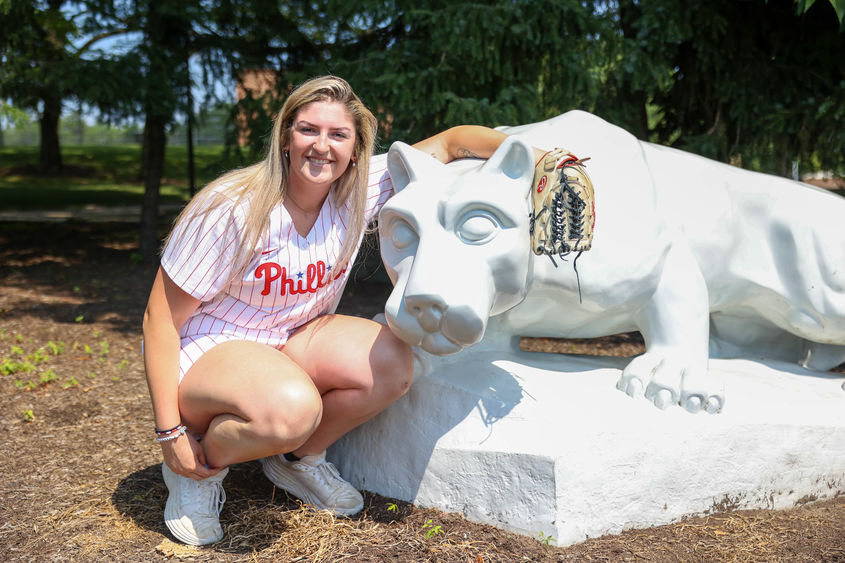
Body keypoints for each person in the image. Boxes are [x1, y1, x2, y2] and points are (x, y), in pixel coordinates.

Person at [142, 75, 510, 546]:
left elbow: (456, 141)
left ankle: (295, 461)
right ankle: (198, 467)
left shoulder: (358, 191)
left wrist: (541, 161)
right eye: (307, 130)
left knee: (394, 364)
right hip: (209, 349)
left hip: (291, 340)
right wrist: (168, 432)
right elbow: (159, 320)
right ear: (285, 138)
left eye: (338, 135)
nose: (322, 146)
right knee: (293, 411)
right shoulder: (231, 207)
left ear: (356, 149)